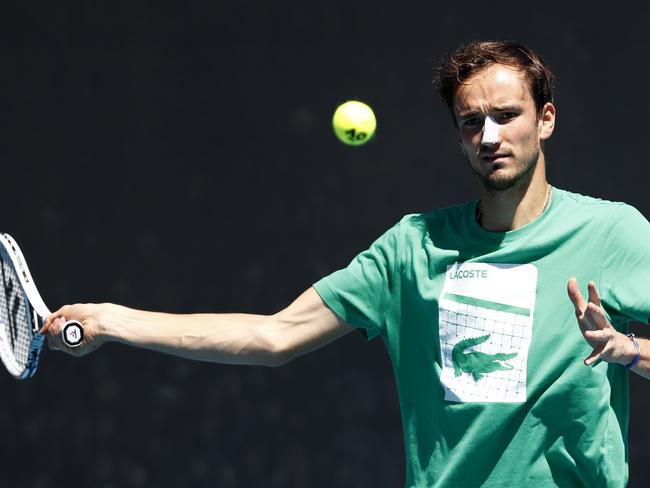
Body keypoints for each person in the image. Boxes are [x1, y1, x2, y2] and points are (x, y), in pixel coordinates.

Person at [40, 40, 650, 487]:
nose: (489, 137)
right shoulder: (412, 248)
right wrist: (115, 321)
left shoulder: (614, 232)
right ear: (458, 136)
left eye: (507, 116)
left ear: (545, 119)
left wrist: (630, 350)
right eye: (471, 123)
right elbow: (273, 334)